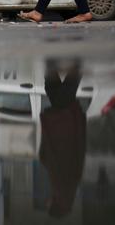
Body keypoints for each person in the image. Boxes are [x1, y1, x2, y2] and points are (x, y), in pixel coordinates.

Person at [39, 58, 86, 219]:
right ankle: (73, 61)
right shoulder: (62, 188)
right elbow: (55, 160)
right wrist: (44, 157)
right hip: (62, 128)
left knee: (56, 90)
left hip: (65, 126)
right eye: (48, 205)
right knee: (58, 90)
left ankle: (61, 63)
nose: (46, 202)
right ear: (55, 205)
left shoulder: (66, 189)